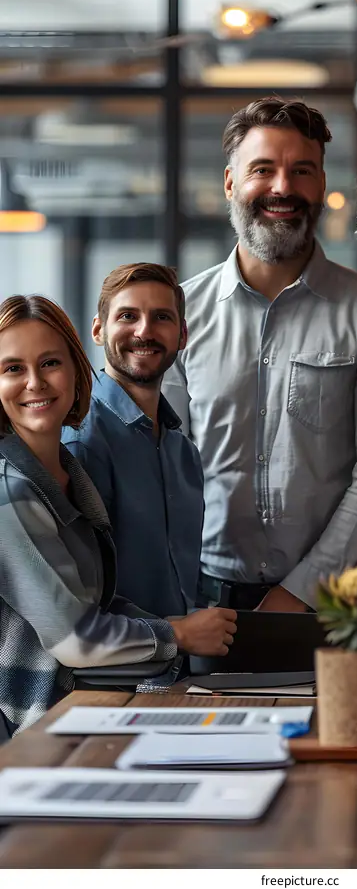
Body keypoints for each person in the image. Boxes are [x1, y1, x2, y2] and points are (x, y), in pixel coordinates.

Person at [162, 95, 357, 612]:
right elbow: (163, 461)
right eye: (263, 169)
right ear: (231, 182)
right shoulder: (178, 311)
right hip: (199, 601)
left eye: (302, 170)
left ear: (322, 185)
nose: (283, 188)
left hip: (333, 604)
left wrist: (303, 591)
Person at [0, 294, 236, 737]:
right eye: (13, 368)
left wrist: (180, 629)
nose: (35, 382)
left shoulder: (69, 477)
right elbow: (75, 639)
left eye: (50, 363)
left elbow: (100, 604)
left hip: (87, 705)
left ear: (74, 369)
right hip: (31, 733)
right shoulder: (9, 491)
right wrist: (178, 634)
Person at [64, 263, 205, 619]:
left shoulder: (184, 451)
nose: (145, 331)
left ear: (182, 335)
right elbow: (79, 600)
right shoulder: (82, 438)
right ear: (98, 330)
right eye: (128, 316)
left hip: (180, 667)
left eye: (161, 317)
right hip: (116, 671)